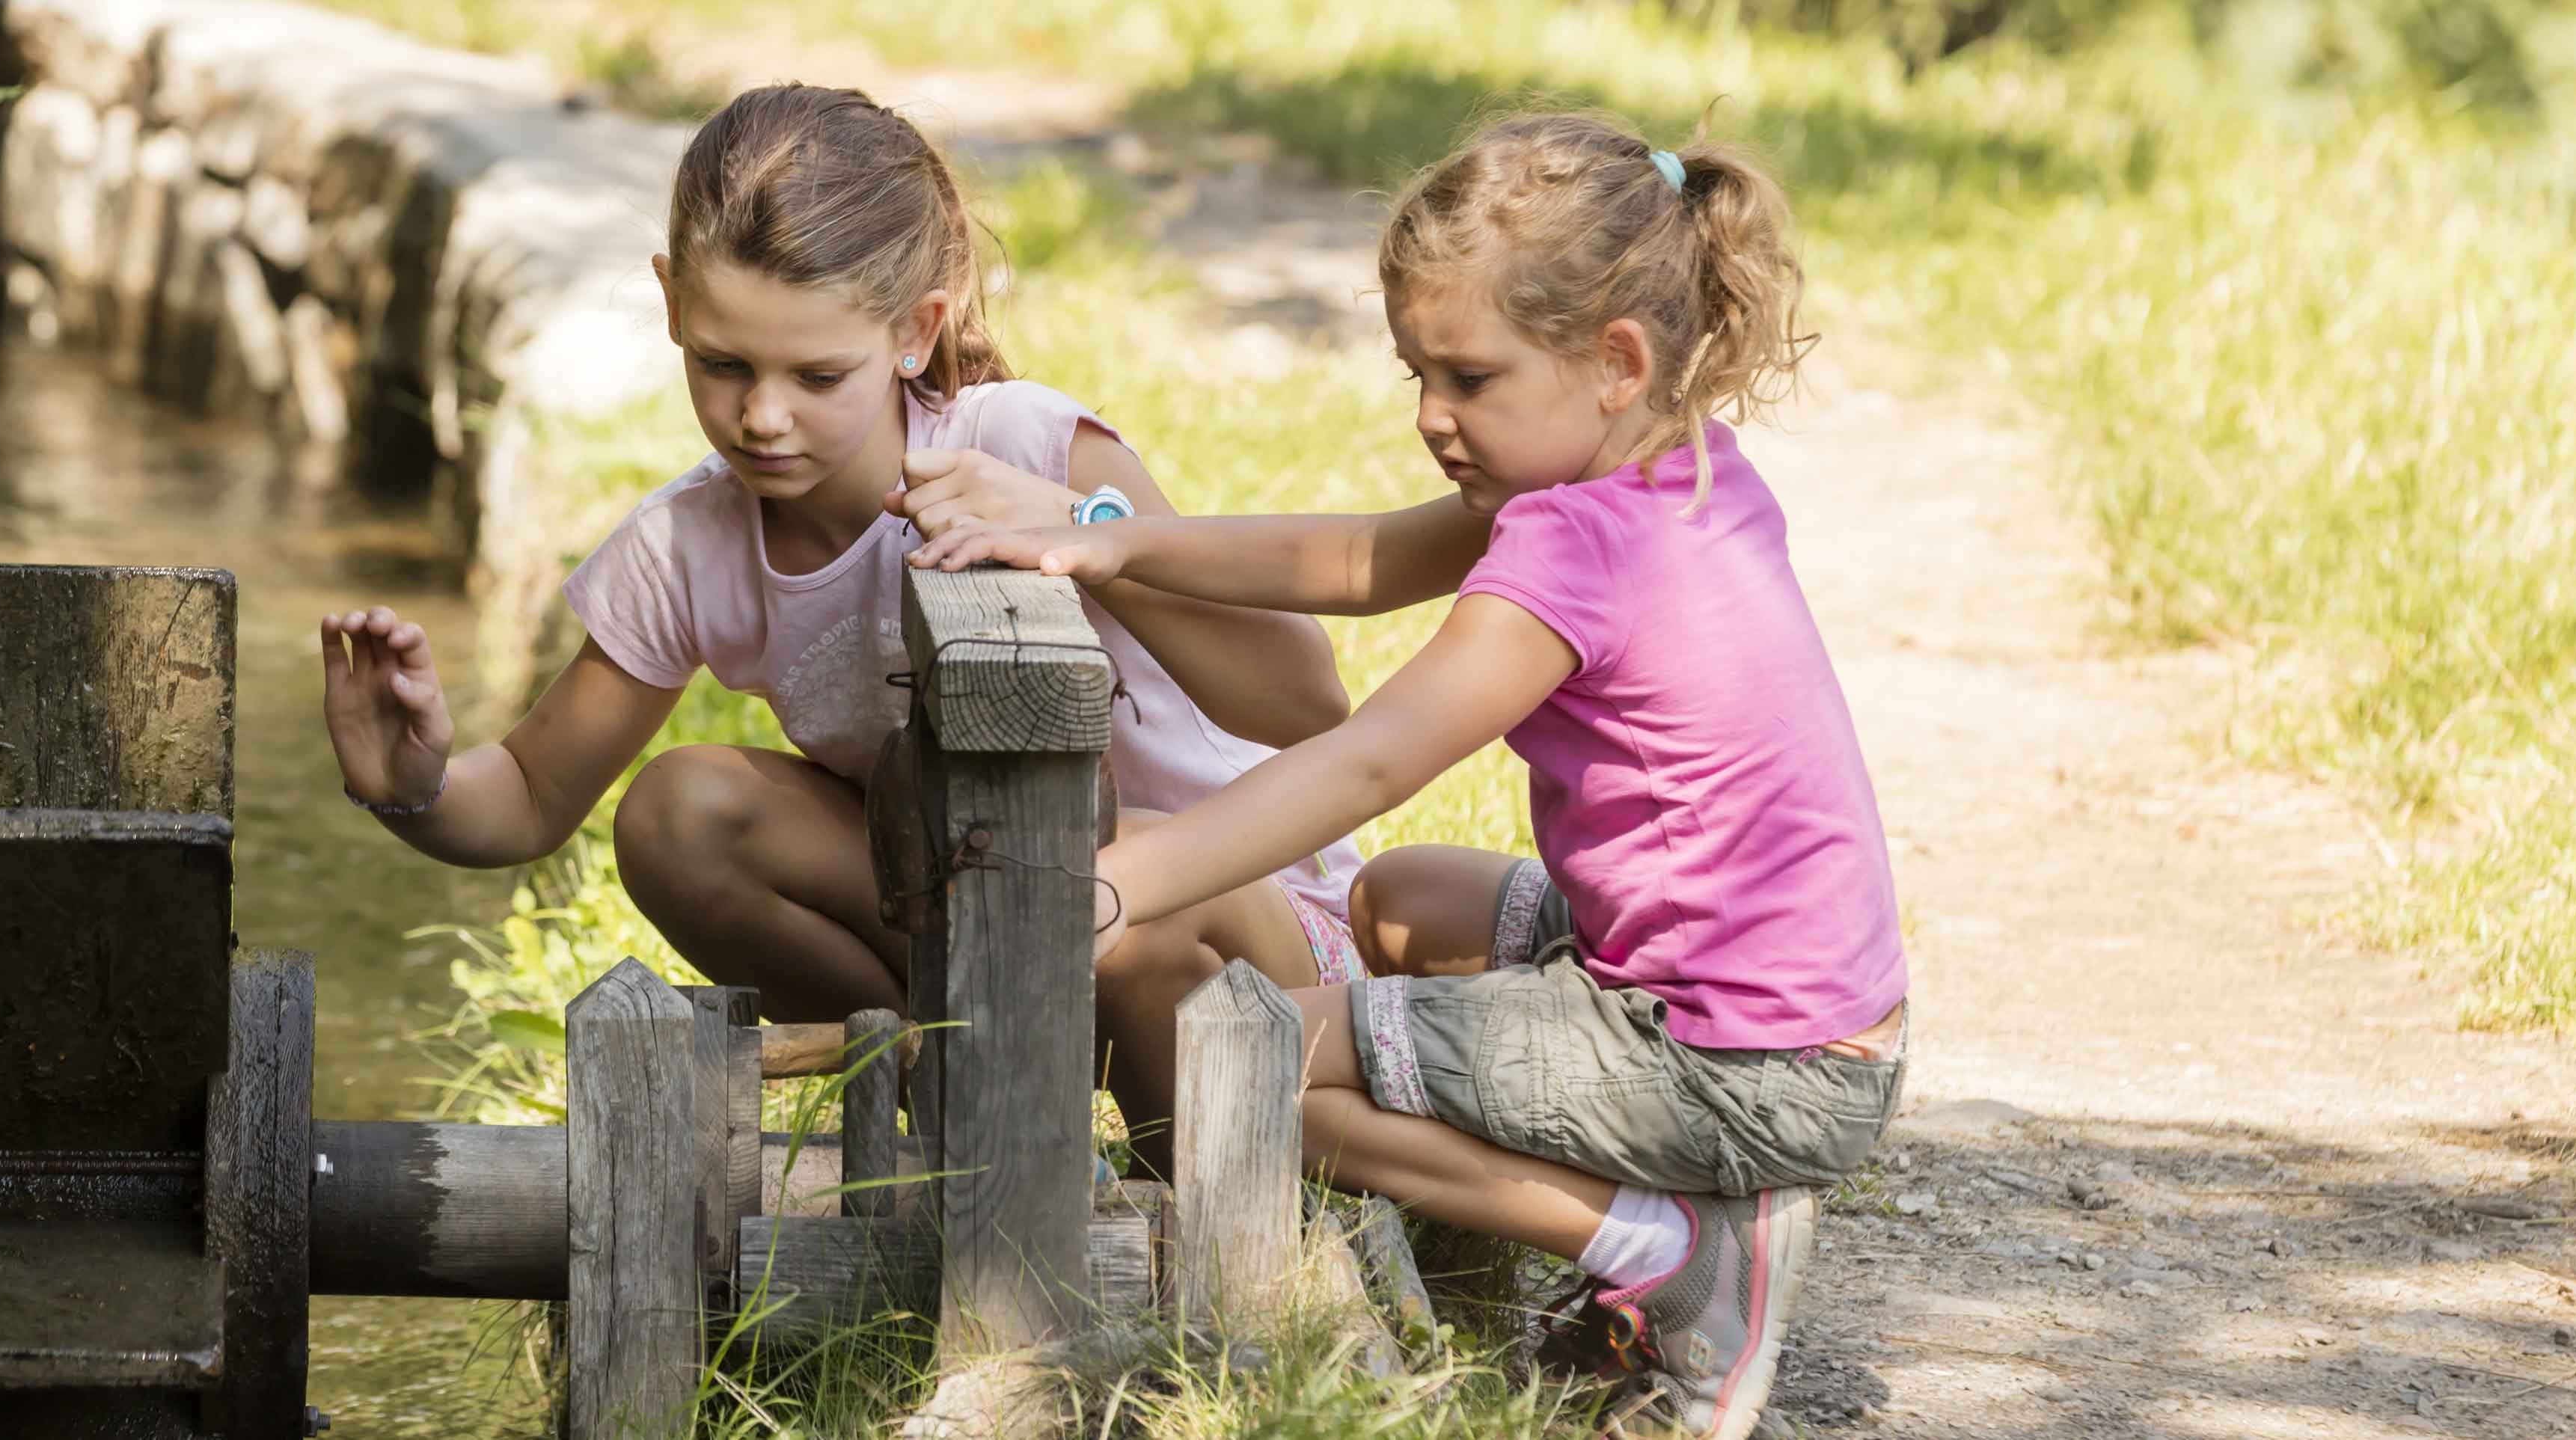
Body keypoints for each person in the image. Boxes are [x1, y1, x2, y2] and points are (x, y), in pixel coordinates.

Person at [908, 110, 1906, 1439]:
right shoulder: (1674, 467)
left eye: (1470, 378)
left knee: (1253, 1067)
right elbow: (1358, 558)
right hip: (1807, 1021)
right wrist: (1113, 537)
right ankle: (1612, 1206)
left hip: (1733, 1058)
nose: (1434, 416)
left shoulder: (1574, 551)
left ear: (1617, 361)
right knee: (1401, 900)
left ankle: (1672, 1252)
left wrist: (1117, 884)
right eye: (1416, 374)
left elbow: (1368, 758)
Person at [317, 83, 1367, 1168]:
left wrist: (1084, 530)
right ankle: (959, 1102)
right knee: (679, 813)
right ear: (672, 304)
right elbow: (532, 796)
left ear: (915, 332)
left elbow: (1306, 702)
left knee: (1088, 884)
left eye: (817, 376)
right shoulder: (690, 547)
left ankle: (1191, 1177)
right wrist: (413, 782)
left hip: (1244, 931)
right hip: (1012, 923)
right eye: (723, 364)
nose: (761, 418)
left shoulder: (1027, 445)